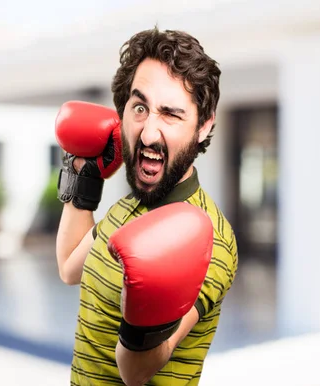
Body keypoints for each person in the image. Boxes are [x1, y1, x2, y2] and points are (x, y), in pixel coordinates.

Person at [55, 26, 238, 386]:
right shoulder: (128, 207)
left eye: (171, 114)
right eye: (140, 107)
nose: (149, 133)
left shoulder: (211, 238)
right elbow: (69, 267)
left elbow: (135, 372)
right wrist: (84, 175)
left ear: (203, 126)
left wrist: (145, 312)